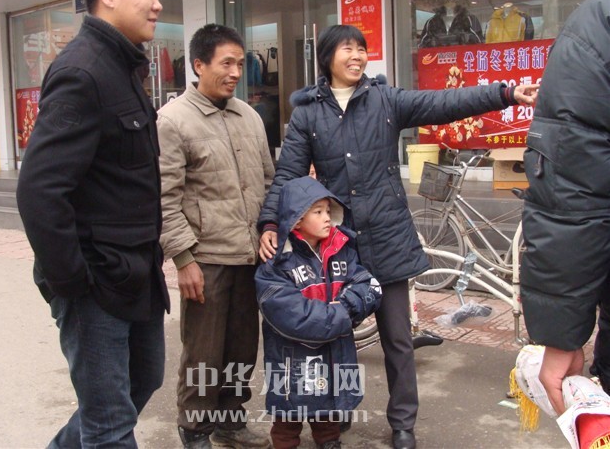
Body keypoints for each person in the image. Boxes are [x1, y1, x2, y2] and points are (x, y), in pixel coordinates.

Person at [257, 24, 539, 449]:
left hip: (388, 235)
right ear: (328, 57)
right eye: (347, 49)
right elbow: (289, 176)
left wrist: (506, 93)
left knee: (397, 338)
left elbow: (445, 102)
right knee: (332, 334)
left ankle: (403, 422)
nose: (357, 56)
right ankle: (336, 412)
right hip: (338, 243)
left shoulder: (385, 100)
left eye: (362, 49)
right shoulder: (308, 114)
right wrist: (270, 224)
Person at [16, 0, 169, 447]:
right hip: (96, 282)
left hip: (137, 273)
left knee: (143, 380)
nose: (158, 5)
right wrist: (72, 283)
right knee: (109, 423)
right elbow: (39, 190)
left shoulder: (124, 68)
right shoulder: (82, 71)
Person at [157, 23, 274, 449]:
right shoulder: (172, 121)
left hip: (250, 255)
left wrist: (269, 228)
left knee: (243, 346)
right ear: (199, 64)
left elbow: (268, 180)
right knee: (203, 352)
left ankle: (230, 419)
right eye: (226, 63)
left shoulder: (250, 117)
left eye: (240, 64)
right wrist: (183, 259)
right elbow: (164, 198)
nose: (235, 73)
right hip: (205, 259)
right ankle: (194, 429)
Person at [520, 0, 610, 416]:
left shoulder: (595, 25)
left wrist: (562, 338)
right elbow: (575, 185)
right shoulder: (598, 28)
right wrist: (561, 335)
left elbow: (571, 186)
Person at [256, 176, 382, 449]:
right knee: (288, 416)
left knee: (328, 412)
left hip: (335, 353)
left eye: (328, 210)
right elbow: (293, 315)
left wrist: (345, 307)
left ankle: (329, 442)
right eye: (318, 212)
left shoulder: (342, 249)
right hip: (292, 360)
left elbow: (368, 285)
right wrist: (343, 314)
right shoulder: (277, 264)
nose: (327, 217)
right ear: (296, 220)